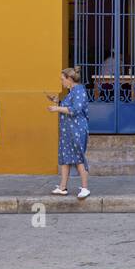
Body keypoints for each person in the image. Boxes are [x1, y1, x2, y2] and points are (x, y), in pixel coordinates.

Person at [50, 67, 90, 199]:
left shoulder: (79, 91)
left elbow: (75, 110)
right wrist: (58, 102)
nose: (61, 82)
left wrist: (57, 108)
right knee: (66, 157)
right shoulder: (72, 91)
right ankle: (62, 187)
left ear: (70, 79)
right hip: (68, 130)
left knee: (78, 157)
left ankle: (85, 188)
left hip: (76, 129)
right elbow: (69, 106)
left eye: (62, 79)